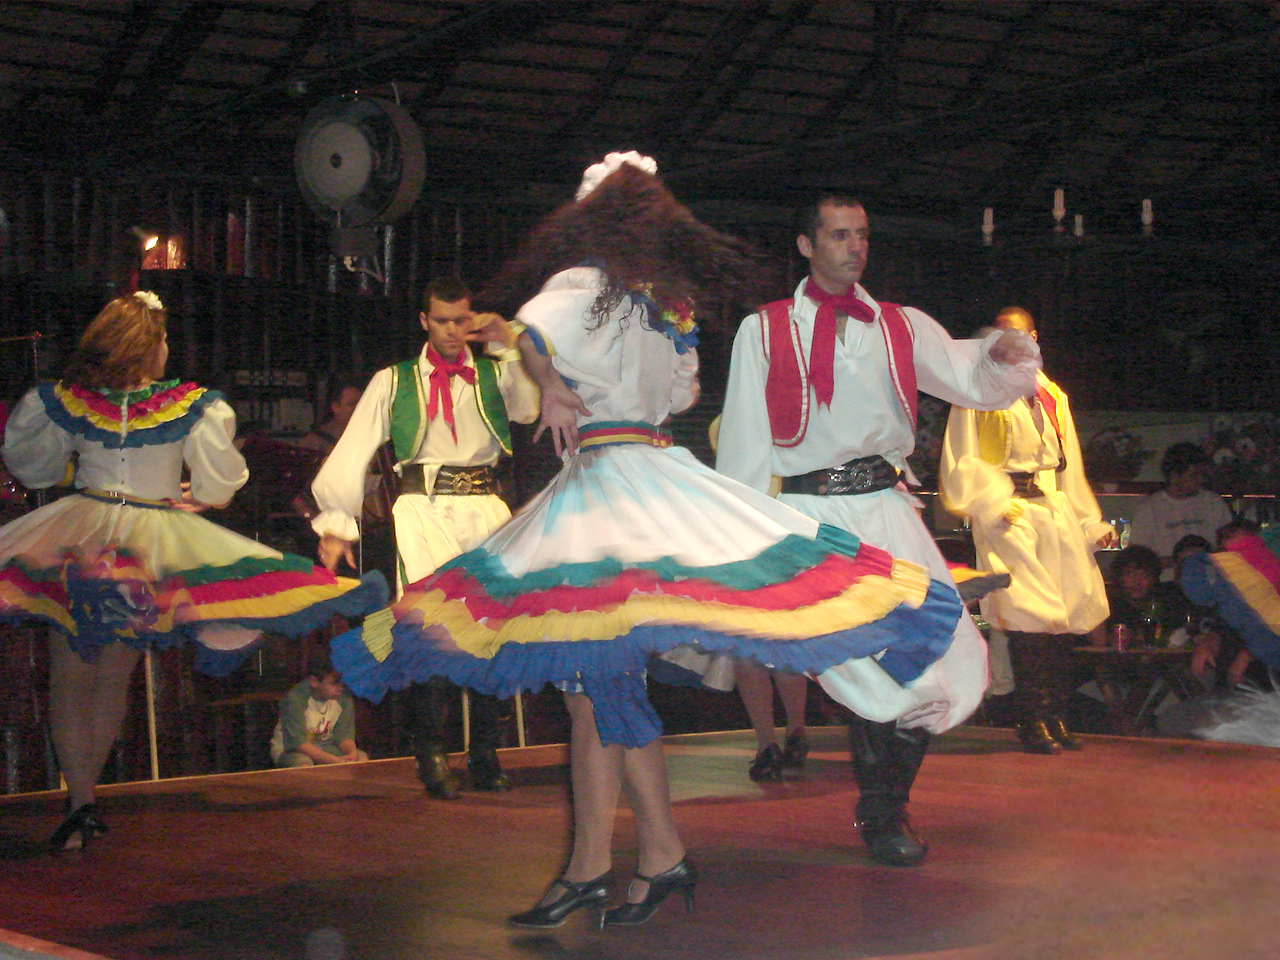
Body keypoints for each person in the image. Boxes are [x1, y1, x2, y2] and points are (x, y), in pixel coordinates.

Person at [330, 153, 969, 927]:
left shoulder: (579, 294)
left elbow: (526, 333)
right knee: (596, 689)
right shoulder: (666, 306)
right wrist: (556, 379)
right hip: (655, 476)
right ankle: (625, 861)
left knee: (596, 687)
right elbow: (674, 391)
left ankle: (627, 861)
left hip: (605, 491)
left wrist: (555, 382)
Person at [716, 193, 1040, 865]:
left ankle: (884, 802)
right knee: (868, 669)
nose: (854, 247)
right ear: (807, 245)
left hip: (887, 511)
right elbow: (745, 444)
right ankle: (884, 811)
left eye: (861, 235)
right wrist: (744, 545)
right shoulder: (766, 330)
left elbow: (970, 374)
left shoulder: (900, 325)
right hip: (813, 518)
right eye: (838, 235)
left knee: (942, 650)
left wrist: (1003, 352)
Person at [0, 292, 385, 851]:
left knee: (72, 672)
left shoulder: (69, 402)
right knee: (111, 677)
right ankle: (84, 802)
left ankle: (80, 798)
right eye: (162, 339)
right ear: (150, 345)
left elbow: (32, 466)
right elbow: (219, 482)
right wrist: (197, 497)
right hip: (150, 540)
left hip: (80, 536)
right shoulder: (189, 405)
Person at [309, 277, 540, 798]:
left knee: (491, 630)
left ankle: (484, 753)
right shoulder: (393, 381)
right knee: (430, 627)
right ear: (424, 322)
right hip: (424, 510)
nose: (453, 331)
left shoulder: (493, 372)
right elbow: (354, 447)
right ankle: (431, 755)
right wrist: (336, 525)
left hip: (487, 510)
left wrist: (507, 346)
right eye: (442, 321)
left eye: (461, 320)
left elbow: (527, 409)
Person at [939, 307, 1113, 754]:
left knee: (1062, 615)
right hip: (1006, 510)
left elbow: (1067, 465)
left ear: (1035, 339)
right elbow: (961, 460)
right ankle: (1033, 716)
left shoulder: (1052, 394)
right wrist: (992, 505)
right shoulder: (976, 392)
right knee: (1028, 614)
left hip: (1050, 508)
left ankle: (1055, 713)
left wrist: (1088, 521)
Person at [1130, 442, 1232, 574]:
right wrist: (1180, 560)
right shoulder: (1150, 508)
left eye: (1202, 475)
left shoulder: (1213, 503)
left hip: (1210, 583)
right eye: (1194, 475)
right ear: (1174, 476)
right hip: (1167, 585)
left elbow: (1230, 547)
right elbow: (1138, 558)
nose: (1200, 480)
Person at [271, 655, 369, 767]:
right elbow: (298, 744)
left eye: (342, 684)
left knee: (362, 758)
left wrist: (351, 753)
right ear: (314, 682)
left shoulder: (344, 698)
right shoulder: (295, 699)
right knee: (302, 764)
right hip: (290, 750)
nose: (340, 689)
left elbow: (344, 736)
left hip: (327, 746)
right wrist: (334, 760)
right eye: (333, 684)